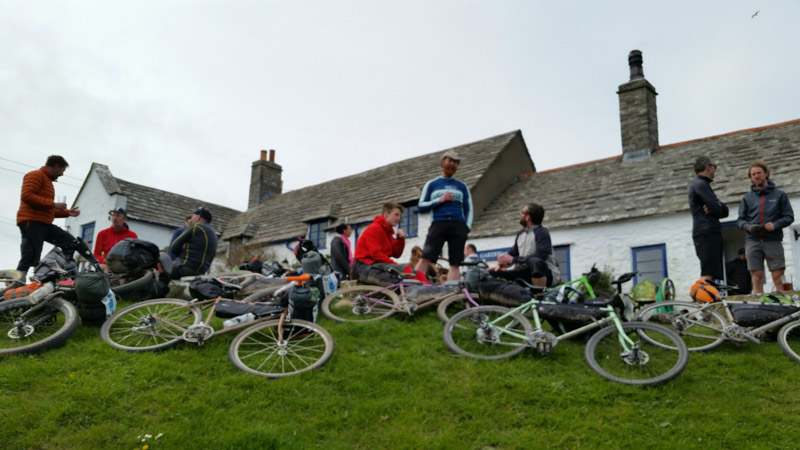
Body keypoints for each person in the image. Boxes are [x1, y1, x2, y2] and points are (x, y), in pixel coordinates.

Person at [736, 160, 794, 293]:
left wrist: (776, 224)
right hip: (753, 241)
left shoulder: (779, 195)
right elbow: (740, 221)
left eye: (759, 173)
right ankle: (760, 310)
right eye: (753, 174)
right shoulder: (747, 198)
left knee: (778, 277)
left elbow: (789, 216)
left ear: (766, 173)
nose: (757, 176)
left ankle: (784, 309)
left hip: (773, 240)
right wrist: (749, 227)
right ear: (751, 177)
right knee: (757, 278)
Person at [415, 149, 473, 281]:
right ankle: (412, 286)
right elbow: (421, 206)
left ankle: (453, 294)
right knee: (425, 257)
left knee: (455, 263)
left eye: (456, 163)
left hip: (458, 225)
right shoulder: (431, 184)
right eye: (450, 161)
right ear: (443, 162)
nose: (452, 164)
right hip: (438, 223)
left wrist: (466, 227)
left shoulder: (462, 186)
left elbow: (469, 208)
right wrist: (438, 200)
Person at [16, 155, 81, 273]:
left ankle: (65, 271)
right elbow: (27, 196)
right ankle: (17, 284)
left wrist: (67, 213)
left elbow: (45, 209)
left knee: (68, 241)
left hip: (42, 223)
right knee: (29, 254)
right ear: (56, 166)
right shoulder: (36, 175)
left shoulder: (47, 181)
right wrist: (53, 204)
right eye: (62, 170)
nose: (62, 174)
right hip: (32, 221)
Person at [489, 203, 560, 288]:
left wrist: (513, 259)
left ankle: (540, 295)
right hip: (525, 272)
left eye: (522, 212)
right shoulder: (521, 234)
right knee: (494, 274)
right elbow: (512, 254)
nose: (520, 214)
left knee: (536, 262)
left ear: (528, 217)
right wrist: (502, 263)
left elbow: (541, 255)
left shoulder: (542, 232)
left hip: (546, 274)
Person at [688, 156, 729, 281]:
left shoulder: (701, 184)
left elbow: (723, 210)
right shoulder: (700, 184)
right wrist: (717, 207)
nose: (715, 170)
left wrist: (718, 207)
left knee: (712, 271)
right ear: (707, 167)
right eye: (714, 166)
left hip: (707, 231)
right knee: (708, 272)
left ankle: (708, 299)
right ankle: (704, 299)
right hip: (706, 232)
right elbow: (717, 209)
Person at [352, 202, 407, 276]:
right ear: (386, 214)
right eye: (396, 215)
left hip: (375, 265)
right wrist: (396, 265)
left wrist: (400, 240)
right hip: (364, 266)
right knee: (405, 270)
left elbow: (396, 254)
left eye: (400, 216)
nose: (399, 218)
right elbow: (376, 254)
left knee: (412, 272)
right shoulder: (374, 228)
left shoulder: (388, 232)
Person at [169, 206, 218, 279]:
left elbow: (173, 247)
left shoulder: (195, 227)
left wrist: (182, 248)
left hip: (183, 268)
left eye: (192, 217)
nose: (191, 219)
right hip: (200, 272)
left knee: (159, 268)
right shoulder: (214, 234)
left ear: (197, 217)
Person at [94, 207, 138, 272]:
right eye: (113, 215)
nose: (115, 218)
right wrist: (103, 260)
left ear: (124, 219)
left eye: (118, 216)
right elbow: (96, 254)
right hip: (107, 265)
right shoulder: (102, 234)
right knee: (103, 268)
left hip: (123, 265)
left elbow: (134, 253)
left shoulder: (132, 235)